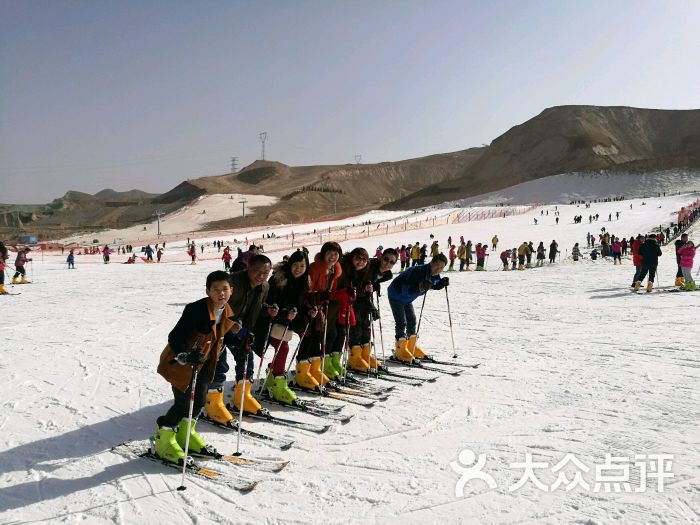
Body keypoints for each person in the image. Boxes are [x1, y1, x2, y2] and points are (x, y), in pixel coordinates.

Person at [152, 270, 241, 464]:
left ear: (231, 291)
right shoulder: (195, 309)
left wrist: (239, 336)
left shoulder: (227, 311)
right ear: (208, 291)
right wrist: (184, 353)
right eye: (216, 289)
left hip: (205, 364)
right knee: (183, 403)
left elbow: (221, 337)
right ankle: (163, 439)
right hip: (182, 365)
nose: (221, 294)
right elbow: (174, 336)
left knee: (199, 401)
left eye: (225, 289)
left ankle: (186, 435)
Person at [208, 255, 277, 419]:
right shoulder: (232, 282)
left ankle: (242, 397)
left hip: (240, 330)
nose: (260, 275)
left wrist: (268, 310)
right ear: (248, 268)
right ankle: (212, 403)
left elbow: (256, 307)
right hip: (218, 329)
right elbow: (216, 305)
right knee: (219, 365)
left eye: (265, 272)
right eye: (256, 271)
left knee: (247, 359)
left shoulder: (264, 287)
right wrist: (230, 322)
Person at [259, 250, 315, 404]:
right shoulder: (278, 279)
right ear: (290, 265)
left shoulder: (303, 282)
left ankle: (272, 376)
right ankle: (279, 383)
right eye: (295, 265)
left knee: (282, 348)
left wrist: (309, 310)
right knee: (283, 349)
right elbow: (270, 302)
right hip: (271, 321)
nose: (298, 269)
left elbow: (302, 303)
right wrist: (284, 313)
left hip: (287, 322)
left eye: (302, 266)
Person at [294, 241, 343, 390]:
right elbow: (306, 291)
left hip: (319, 308)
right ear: (323, 254)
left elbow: (330, 293)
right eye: (329, 253)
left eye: (335, 254)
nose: (332, 257)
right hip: (308, 308)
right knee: (308, 338)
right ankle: (302, 372)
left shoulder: (334, 270)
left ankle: (314, 370)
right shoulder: (315, 269)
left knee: (317, 338)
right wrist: (316, 300)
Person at [387, 253, 449, 363]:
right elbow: (405, 287)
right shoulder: (419, 271)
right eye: (437, 266)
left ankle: (411, 347)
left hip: (406, 299)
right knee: (401, 322)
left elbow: (432, 283)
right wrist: (420, 286)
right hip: (396, 295)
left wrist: (440, 284)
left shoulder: (433, 274)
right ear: (432, 262)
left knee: (412, 320)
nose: (438, 269)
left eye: (441, 268)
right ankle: (400, 350)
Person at [347, 248, 397, 372]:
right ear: (380, 257)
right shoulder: (370, 265)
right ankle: (355, 357)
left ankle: (365, 354)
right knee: (356, 327)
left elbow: (373, 282)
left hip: (365, 298)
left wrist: (373, 287)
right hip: (354, 298)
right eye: (386, 259)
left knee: (366, 326)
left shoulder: (387, 274)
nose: (387, 264)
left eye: (392, 262)